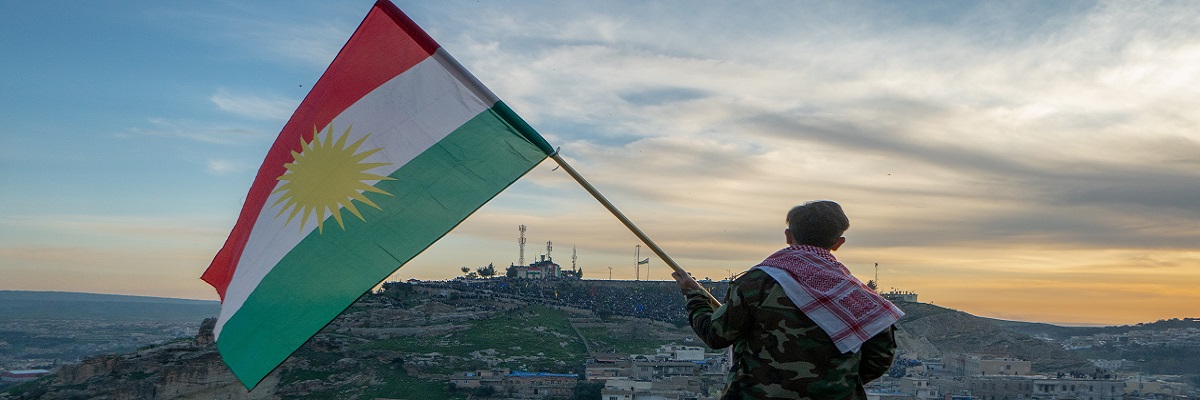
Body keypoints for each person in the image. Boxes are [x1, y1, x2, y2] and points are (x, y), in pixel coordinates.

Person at [672, 200, 903, 400]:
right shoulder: (856, 295)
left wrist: (694, 295)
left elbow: (716, 334)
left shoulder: (757, 282)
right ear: (838, 243)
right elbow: (880, 356)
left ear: (788, 236)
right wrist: (831, 381)